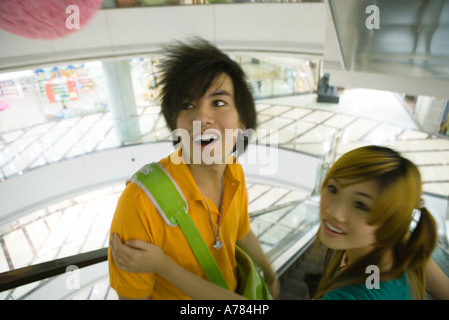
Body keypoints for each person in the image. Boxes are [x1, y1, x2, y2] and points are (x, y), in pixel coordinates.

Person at [111, 145, 449, 300]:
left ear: (391, 219)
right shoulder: (402, 241)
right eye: (333, 189)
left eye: (361, 205)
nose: (334, 211)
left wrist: (163, 267)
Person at [108, 38, 279, 300]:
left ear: (243, 122)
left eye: (219, 102)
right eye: (187, 105)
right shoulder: (140, 204)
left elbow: (241, 230)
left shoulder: (233, 173)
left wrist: (269, 271)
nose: (201, 118)